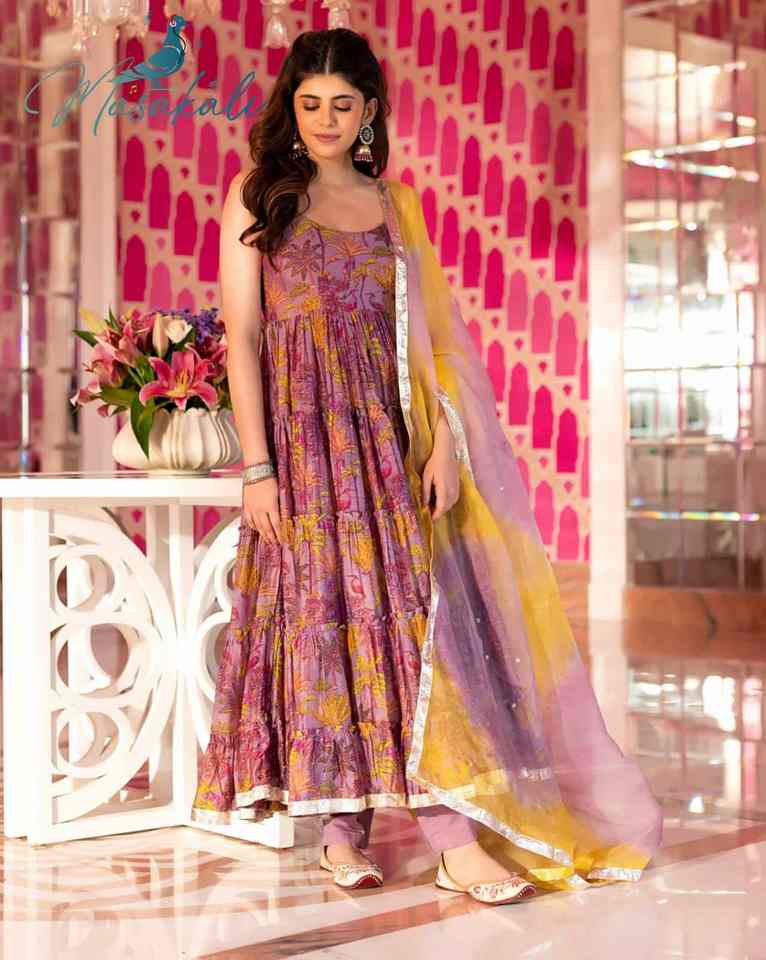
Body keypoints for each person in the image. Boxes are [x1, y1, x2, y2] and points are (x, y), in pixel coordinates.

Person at [191, 28, 663, 904]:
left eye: (343, 104)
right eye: (310, 103)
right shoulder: (257, 194)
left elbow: (424, 339)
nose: (326, 120)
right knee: (323, 625)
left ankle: (452, 838)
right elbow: (245, 336)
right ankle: (340, 835)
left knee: (413, 629)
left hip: (387, 442)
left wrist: (442, 439)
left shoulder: (394, 204)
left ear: (369, 111)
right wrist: (257, 468)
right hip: (300, 448)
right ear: (292, 108)